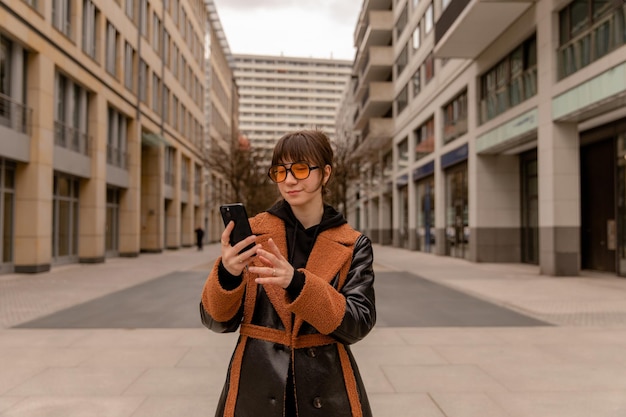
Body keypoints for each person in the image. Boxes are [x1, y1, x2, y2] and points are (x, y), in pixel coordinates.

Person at [200, 130, 376, 417]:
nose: (289, 180)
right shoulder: (253, 234)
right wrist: (228, 274)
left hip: (328, 388)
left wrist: (297, 283)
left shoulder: (353, 244)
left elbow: (358, 324)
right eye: (280, 171)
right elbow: (217, 322)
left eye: (301, 168)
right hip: (256, 386)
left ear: (326, 173)